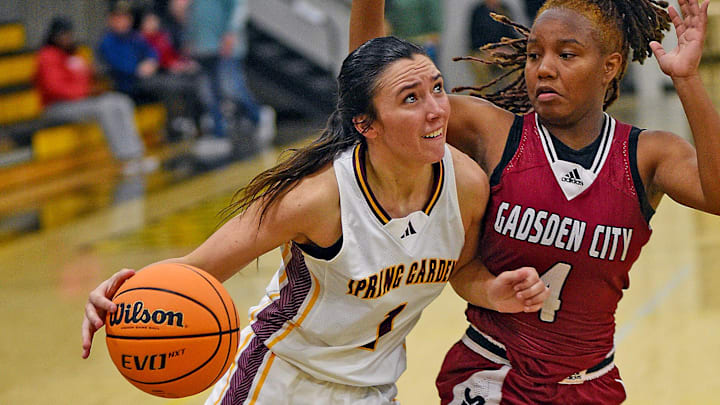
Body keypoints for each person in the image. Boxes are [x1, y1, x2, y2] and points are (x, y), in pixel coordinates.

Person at [81, 34, 550, 403]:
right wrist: (123, 295)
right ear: (366, 125)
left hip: (372, 391)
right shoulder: (317, 198)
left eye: (437, 88)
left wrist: (493, 290)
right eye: (410, 99)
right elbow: (199, 269)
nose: (436, 110)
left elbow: (462, 267)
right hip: (281, 381)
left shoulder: (466, 184)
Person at [350, 0, 720, 403]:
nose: (543, 68)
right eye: (533, 54)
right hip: (492, 372)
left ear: (610, 67)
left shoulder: (646, 154)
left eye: (566, 54)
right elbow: (376, 90)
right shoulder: (492, 132)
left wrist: (686, 79)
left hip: (591, 383)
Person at [35, 16, 158, 176]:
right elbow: (55, 88)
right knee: (105, 107)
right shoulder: (47, 56)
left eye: (68, 34)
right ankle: (124, 160)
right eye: (62, 35)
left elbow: (88, 77)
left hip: (83, 102)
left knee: (121, 101)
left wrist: (95, 84)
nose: (66, 38)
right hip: (57, 106)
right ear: (54, 36)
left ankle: (137, 155)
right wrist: (85, 92)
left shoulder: (75, 53)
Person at [186, 0, 276, 159]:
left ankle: (258, 116)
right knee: (209, 94)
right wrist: (189, 38)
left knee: (231, 87)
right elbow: (193, 15)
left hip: (225, 46)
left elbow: (239, 8)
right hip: (203, 47)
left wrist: (231, 32)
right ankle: (219, 134)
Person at [98, 0, 199, 141]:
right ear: (111, 20)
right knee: (167, 86)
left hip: (145, 80)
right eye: (118, 18)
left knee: (184, 83)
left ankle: (186, 122)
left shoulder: (134, 36)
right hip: (128, 85)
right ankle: (172, 128)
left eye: (125, 17)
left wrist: (151, 62)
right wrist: (137, 68)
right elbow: (118, 65)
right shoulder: (107, 41)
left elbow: (151, 52)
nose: (123, 21)